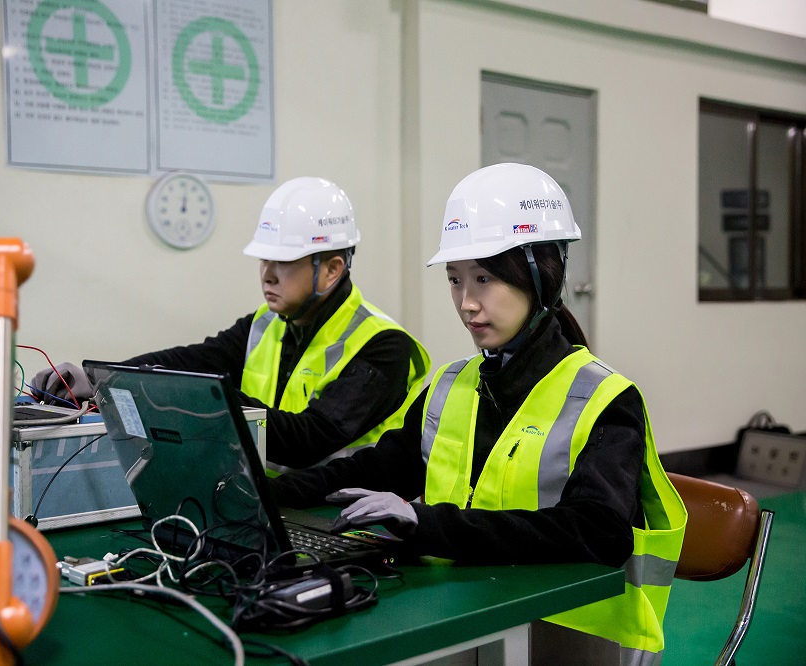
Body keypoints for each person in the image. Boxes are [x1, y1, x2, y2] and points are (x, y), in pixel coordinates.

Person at [269, 163, 687, 664]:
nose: (466, 304)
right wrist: (263, 491)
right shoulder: (453, 385)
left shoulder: (605, 399)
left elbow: (596, 530)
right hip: (475, 616)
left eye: (484, 279)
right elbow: (376, 467)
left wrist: (425, 523)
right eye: (454, 280)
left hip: (571, 637)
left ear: (542, 275)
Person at [32, 176, 430, 470]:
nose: (267, 274)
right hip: (272, 505)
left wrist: (202, 398)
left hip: (341, 519)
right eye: (264, 259)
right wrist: (99, 377)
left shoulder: (383, 346)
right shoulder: (266, 323)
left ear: (331, 270)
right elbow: (194, 359)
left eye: (284, 261)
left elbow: (310, 440)